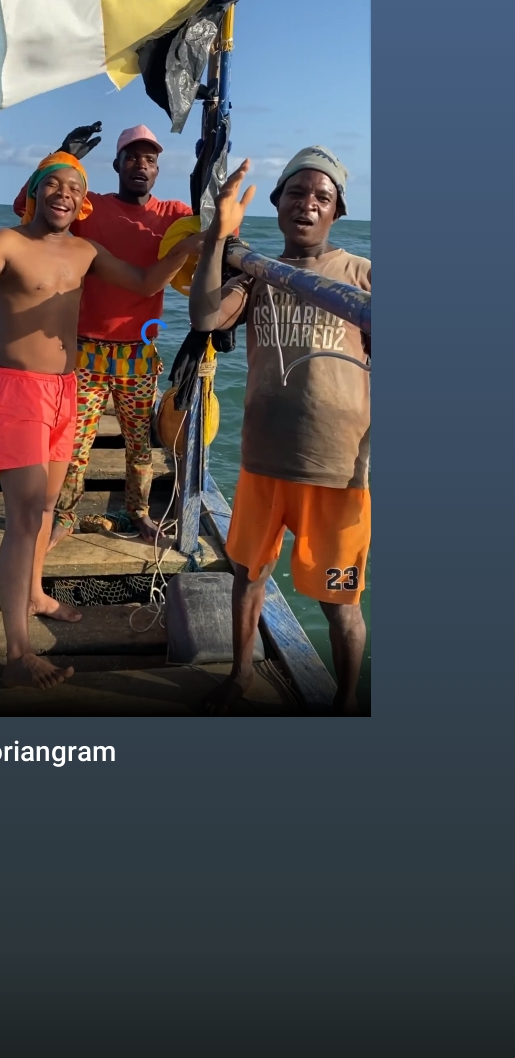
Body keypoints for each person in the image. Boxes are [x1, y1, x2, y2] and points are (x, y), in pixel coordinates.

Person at [0, 152, 202, 689]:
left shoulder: (86, 251)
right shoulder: (5, 242)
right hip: (19, 391)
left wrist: (192, 246)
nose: (64, 193)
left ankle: (36, 593)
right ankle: (18, 654)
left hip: (67, 389)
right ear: (35, 191)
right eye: (53, 183)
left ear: (84, 203)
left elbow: (143, 282)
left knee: (47, 508)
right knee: (24, 518)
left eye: (75, 187)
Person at [188, 147, 371, 716]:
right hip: (262, 462)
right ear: (277, 201)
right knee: (249, 575)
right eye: (296, 192)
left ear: (337, 211)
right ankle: (241, 674)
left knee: (340, 601)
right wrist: (218, 238)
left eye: (322, 197)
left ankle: (346, 702)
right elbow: (205, 318)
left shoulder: (362, 276)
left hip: (337, 472)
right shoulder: (257, 275)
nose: (307, 204)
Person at [13, 125, 193, 545]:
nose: (140, 165)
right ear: (116, 164)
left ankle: (140, 513)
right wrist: (61, 156)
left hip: (139, 352)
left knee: (139, 443)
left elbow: (217, 234)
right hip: (85, 348)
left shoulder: (174, 215)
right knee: (73, 441)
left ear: (158, 169)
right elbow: (27, 206)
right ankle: (64, 515)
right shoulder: (89, 208)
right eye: (132, 157)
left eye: (150, 160)